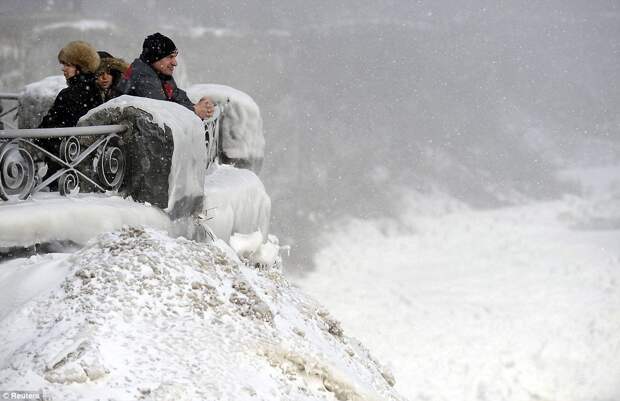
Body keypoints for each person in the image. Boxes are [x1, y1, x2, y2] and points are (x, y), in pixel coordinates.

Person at [117, 32, 214, 119]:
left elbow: (177, 97)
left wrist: (199, 107)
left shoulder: (160, 74)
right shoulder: (142, 76)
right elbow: (162, 110)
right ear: (155, 57)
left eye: (174, 57)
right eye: (170, 57)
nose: (175, 63)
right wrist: (194, 111)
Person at [39, 40, 102, 128]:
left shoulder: (68, 95)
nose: (63, 69)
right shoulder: (98, 90)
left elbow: (48, 129)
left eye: (68, 65)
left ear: (81, 67)